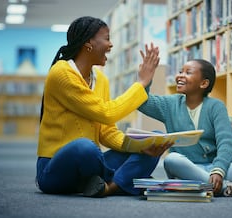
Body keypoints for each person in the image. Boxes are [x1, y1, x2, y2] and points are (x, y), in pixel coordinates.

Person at [36, 16, 172, 198]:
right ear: (88, 43)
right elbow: (107, 113)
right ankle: (127, 179)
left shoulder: (101, 80)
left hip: (91, 168)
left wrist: (140, 146)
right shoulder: (61, 73)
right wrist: (141, 83)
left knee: (154, 140)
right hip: (54, 169)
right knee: (85, 147)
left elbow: (107, 132)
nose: (111, 45)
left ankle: (110, 186)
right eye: (107, 38)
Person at [138, 59, 232, 197]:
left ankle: (199, 184)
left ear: (204, 83)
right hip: (185, 167)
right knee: (171, 159)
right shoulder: (170, 104)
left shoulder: (216, 106)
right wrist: (145, 80)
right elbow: (142, 102)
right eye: (180, 72)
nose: (180, 76)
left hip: (212, 166)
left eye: (188, 72)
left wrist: (218, 170)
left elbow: (226, 141)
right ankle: (227, 187)